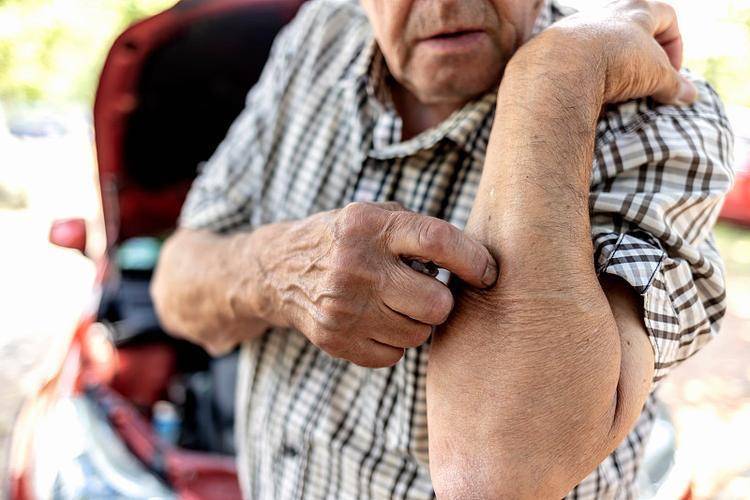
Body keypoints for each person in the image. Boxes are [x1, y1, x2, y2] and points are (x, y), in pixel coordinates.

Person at [150, 0, 733, 497]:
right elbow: (175, 284)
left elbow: (500, 476)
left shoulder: (648, 108)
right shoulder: (322, 34)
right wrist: (278, 270)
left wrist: (554, 74)